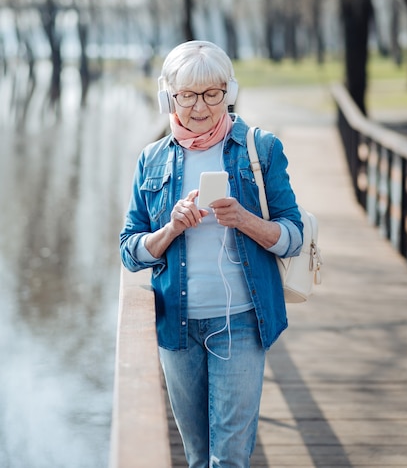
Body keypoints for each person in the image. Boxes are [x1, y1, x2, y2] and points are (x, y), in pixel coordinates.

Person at [120, 40, 303, 468]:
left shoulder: (261, 150)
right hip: (177, 329)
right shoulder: (151, 160)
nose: (199, 107)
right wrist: (170, 229)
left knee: (231, 458)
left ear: (229, 92)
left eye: (212, 93)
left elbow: (294, 237)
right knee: (198, 456)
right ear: (170, 96)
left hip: (241, 321)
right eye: (187, 95)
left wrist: (246, 220)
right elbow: (130, 251)